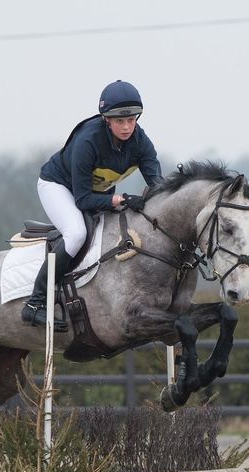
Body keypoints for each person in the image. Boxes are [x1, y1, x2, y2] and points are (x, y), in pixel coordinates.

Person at [22, 80, 163, 330]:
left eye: (132, 119)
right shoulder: (87, 141)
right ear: (106, 119)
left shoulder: (140, 141)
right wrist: (122, 199)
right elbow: (83, 199)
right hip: (59, 187)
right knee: (76, 234)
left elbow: (158, 185)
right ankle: (35, 303)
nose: (127, 126)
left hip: (96, 191)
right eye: (120, 121)